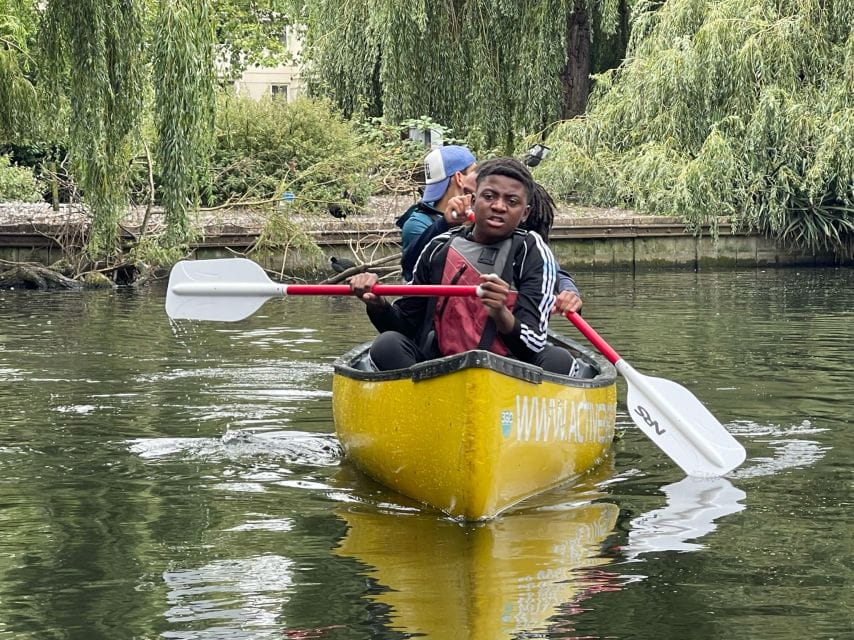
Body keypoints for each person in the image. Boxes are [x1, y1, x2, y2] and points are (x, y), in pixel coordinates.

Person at [351, 157, 574, 375]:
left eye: (512, 201)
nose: (498, 206)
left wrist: (500, 312)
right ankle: (421, 404)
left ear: (525, 213)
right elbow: (408, 326)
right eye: (489, 196)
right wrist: (378, 304)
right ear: (473, 200)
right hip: (442, 369)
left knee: (559, 360)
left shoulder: (532, 251)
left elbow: (533, 343)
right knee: (387, 344)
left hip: (509, 374)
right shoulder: (439, 246)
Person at [400, 158, 583, 315]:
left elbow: (553, 272)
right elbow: (409, 267)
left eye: (473, 194)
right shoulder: (437, 233)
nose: (466, 202)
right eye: (467, 194)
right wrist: (443, 224)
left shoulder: (527, 247)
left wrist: (568, 291)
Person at [395, 145, 478, 280]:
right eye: (474, 171)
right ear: (459, 178)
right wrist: (446, 224)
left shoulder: (481, 212)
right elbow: (413, 268)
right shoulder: (417, 223)